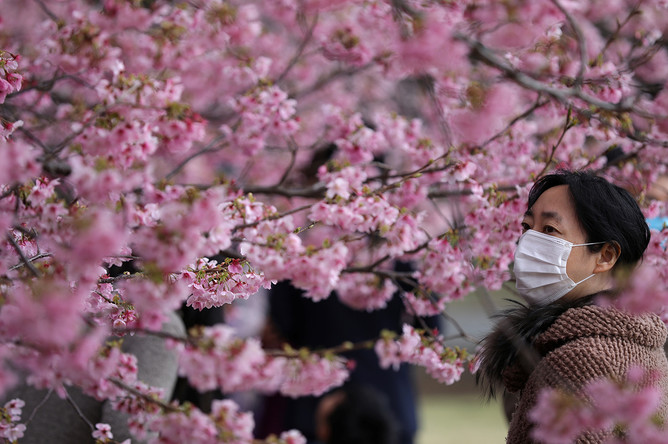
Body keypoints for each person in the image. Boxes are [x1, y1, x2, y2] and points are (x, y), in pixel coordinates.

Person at [477, 170, 668, 443]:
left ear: (605, 256)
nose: (528, 242)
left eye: (550, 230)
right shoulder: (632, 342)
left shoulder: (581, 360)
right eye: (527, 227)